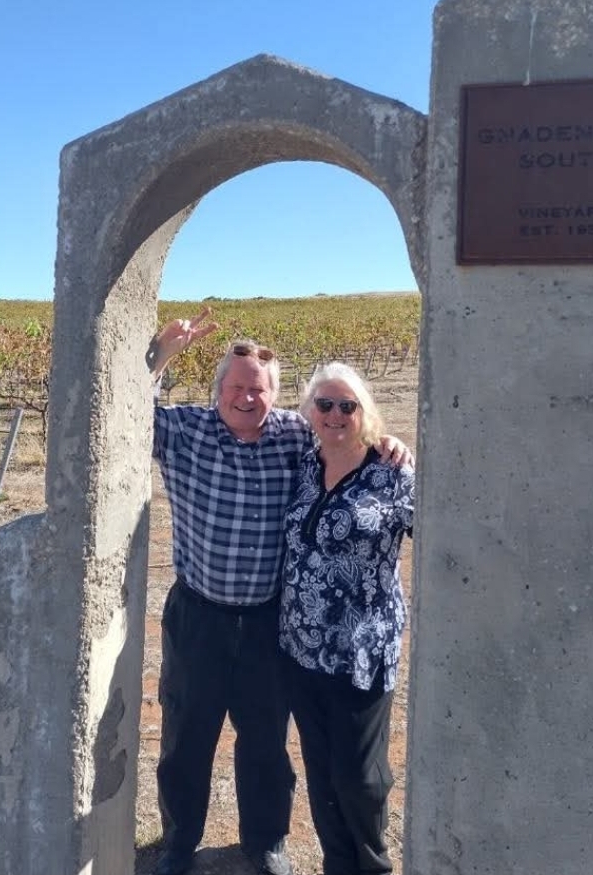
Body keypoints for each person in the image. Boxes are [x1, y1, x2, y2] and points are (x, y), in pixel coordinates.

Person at [146, 309, 412, 875]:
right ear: (219, 388)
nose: (247, 398)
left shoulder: (295, 434)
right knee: (186, 736)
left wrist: (388, 442)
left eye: (259, 390)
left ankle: (265, 842)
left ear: (276, 396)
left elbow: (347, 432)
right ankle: (178, 843)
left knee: (267, 742)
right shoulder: (185, 430)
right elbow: (121, 415)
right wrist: (162, 358)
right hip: (199, 615)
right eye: (237, 387)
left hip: (272, 621)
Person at [278, 362, 416, 875]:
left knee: (359, 774)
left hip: (362, 651)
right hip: (300, 647)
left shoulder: (392, 471)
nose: (335, 414)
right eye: (325, 404)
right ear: (310, 410)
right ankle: (337, 862)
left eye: (347, 406)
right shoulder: (303, 464)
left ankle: (373, 864)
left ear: (364, 412)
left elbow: (439, 528)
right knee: (321, 770)